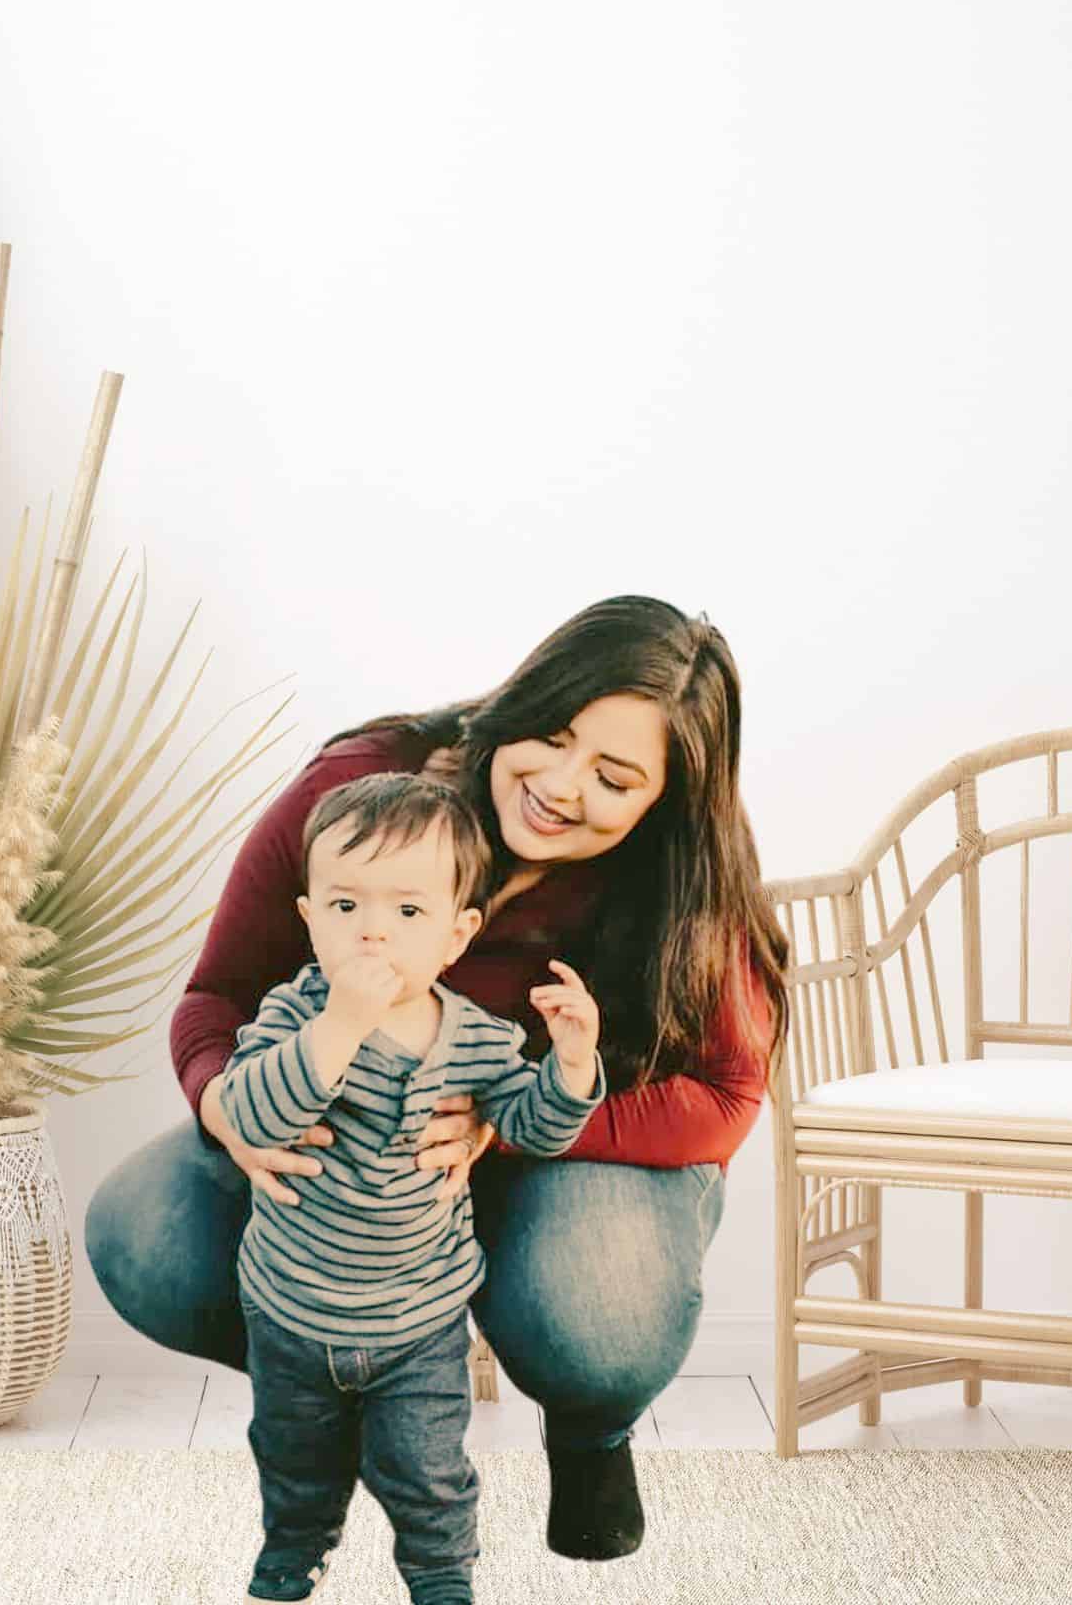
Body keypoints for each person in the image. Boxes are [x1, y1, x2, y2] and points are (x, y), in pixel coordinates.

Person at [85, 594, 790, 1563]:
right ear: (524, 695)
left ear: (662, 805)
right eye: (553, 732)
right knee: (144, 1234)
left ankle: (590, 1428)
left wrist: (515, 1122)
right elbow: (217, 997)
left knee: (602, 1316)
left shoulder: (686, 879)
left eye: (615, 778)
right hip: (352, 1169)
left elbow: (726, 1100)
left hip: (561, 1159)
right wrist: (225, 1109)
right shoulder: (367, 791)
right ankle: (360, 1386)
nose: (560, 784)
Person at [227, 770, 606, 1605]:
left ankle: (442, 1579)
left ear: (456, 934)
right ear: (309, 919)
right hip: (291, 1310)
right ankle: (298, 1545)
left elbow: (533, 1129)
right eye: (345, 907)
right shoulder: (294, 1017)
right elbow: (252, 1116)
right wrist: (340, 1027)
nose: (372, 936)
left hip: (421, 1319)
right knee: (293, 1460)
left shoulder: (475, 1037)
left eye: (406, 912)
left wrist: (571, 1064)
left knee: (428, 1473)